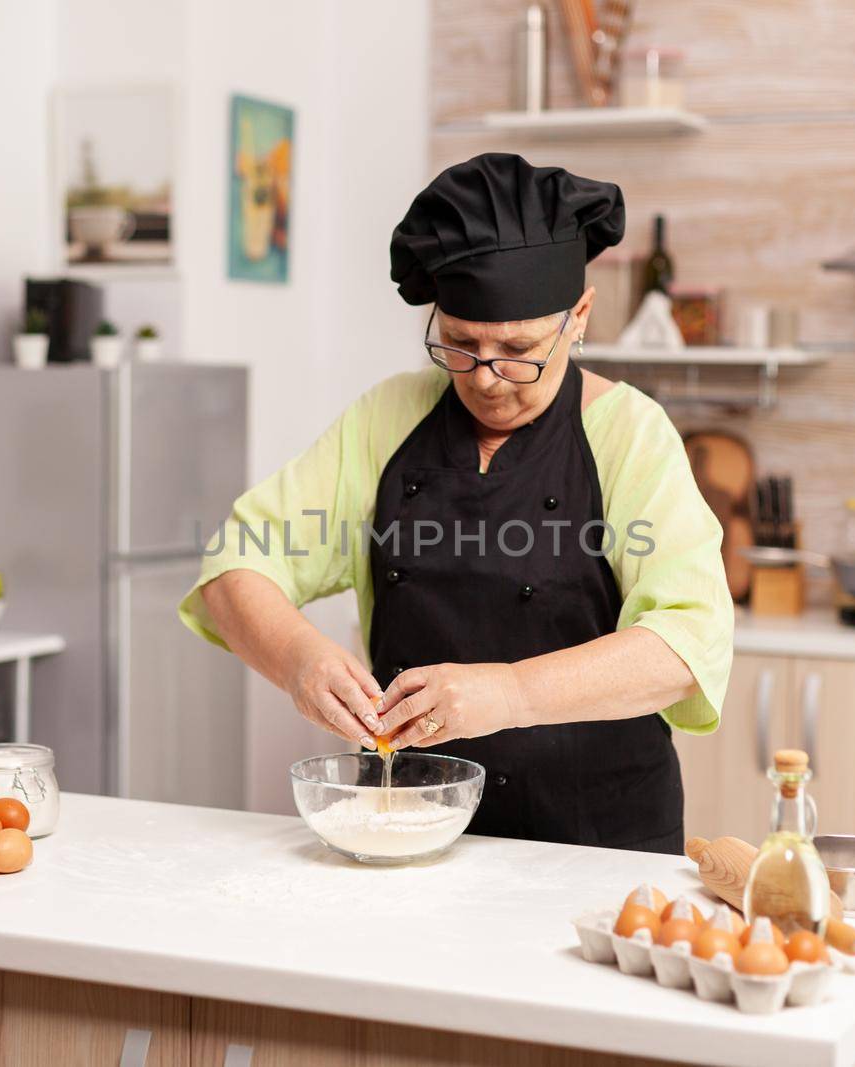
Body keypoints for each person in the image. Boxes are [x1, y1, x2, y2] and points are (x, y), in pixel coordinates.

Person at [179, 153, 732, 854]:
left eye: (520, 350)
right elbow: (235, 566)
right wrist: (298, 659)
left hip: (596, 844)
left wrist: (512, 692)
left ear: (580, 316)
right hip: (409, 831)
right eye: (462, 346)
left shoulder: (630, 433)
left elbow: (688, 643)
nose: (490, 378)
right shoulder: (386, 419)